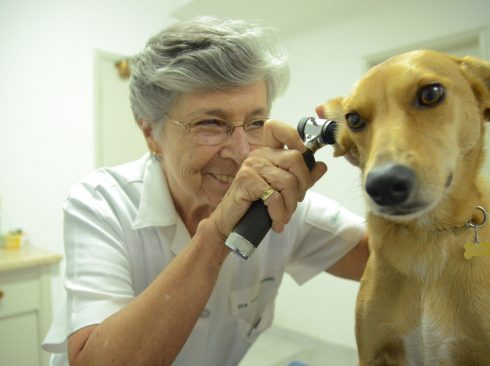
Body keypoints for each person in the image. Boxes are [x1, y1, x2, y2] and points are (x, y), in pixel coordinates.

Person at [42, 16, 369, 366]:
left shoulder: (281, 206)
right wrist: (214, 235)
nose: (243, 153)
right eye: (210, 123)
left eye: (256, 122)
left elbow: (394, 262)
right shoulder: (101, 204)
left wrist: (388, 160)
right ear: (151, 134)